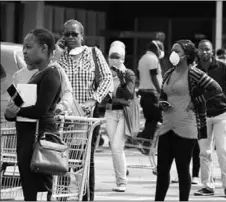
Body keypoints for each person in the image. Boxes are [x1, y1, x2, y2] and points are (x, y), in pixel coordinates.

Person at [155, 39, 223, 201]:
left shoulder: (193, 73)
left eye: (176, 51)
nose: (173, 54)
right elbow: (164, 94)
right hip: (167, 126)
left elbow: (216, 89)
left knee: (182, 168)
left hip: (186, 127)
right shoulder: (169, 73)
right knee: (162, 170)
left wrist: (197, 101)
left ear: (186, 55)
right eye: (172, 50)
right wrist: (162, 103)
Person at [56, 19, 113, 201]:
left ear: (82, 36)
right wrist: (56, 51)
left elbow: (106, 78)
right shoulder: (60, 57)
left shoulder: (93, 53)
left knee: (85, 159)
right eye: (67, 34)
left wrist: (93, 100)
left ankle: (86, 197)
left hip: (86, 118)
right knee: (61, 158)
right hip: (63, 118)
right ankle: (62, 196)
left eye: (75, 34)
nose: (71, 37)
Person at [4, 28, 62, 201]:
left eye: (29, 47)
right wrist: (11, 113)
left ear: (44, 49)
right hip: (28, 139)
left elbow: (40, 109)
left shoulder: (51, 74)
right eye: (24, 47)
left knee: (40, 189)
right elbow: (20, 106)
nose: (24, 51)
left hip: (40, 141)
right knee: (30, 189)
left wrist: (15, 111)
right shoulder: (38, 74)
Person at [193, 40, 226, 198]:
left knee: (223, 151)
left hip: (221, 115)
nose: (204, 52)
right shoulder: (194, 70)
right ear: (197, 51)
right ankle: (207, 186)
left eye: (207, 49)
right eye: (202, 49)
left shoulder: (223, 67)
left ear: (212, 52)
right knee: (204, 153)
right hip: (203, 116)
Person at [104, 41, 137, 192]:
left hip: (124, 114)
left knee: (117, 147)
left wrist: (122, 78)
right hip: (110, 113)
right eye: (112, 56)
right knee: (115, 148)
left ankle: (121, 182)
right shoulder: (105, 74)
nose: (114, 59)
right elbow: (103, 97)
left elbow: (128, 95)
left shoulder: (128, 74)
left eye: (117, 56)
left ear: (123, 58)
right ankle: (122, 172)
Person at [136, 40, 165, 154]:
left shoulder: (143, 58)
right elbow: (153, 76)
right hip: (152, 93)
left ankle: (146, 145)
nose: (162, 52)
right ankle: (139, 137)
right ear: (157, 49)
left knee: (150, 120)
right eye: (161, 48)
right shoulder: (153, 59)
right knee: (156, 118)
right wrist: (160, 91)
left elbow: (141, 76)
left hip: (144, 93)